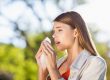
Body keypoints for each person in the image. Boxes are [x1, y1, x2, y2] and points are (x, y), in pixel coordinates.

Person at [35, 11, 107, 80]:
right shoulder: (58, 63)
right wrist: (42, 73)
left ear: (75, 32)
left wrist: (53, 68)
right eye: (54, 31)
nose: (53, 35)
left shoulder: (96, 63)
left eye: (59, 30)